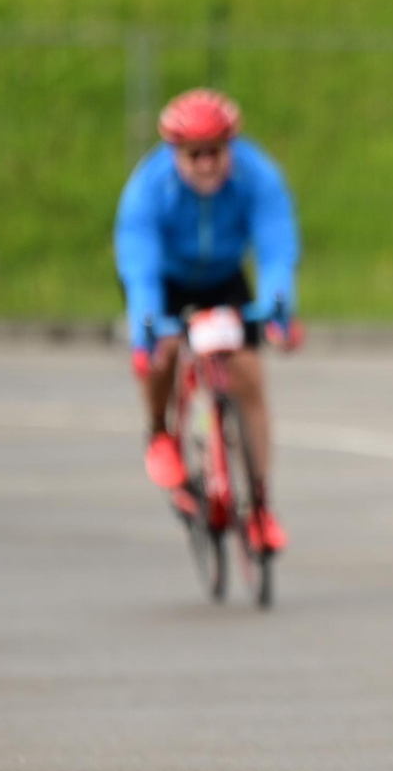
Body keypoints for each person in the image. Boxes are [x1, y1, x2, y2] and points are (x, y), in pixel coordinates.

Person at [113, 87, 299, 551]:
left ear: (230, 147)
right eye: (194, 154)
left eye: (216, 151)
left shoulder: (257, 176)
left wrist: (279, 309)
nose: (207, 164)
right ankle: (160, 433)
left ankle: (259, 506)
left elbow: (276, 245)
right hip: (166, 280)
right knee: (162, 351)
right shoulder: (148, 188)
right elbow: (139, 263)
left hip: (223, 276)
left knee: (248, 375)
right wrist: (146, 331)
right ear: (175, 153)